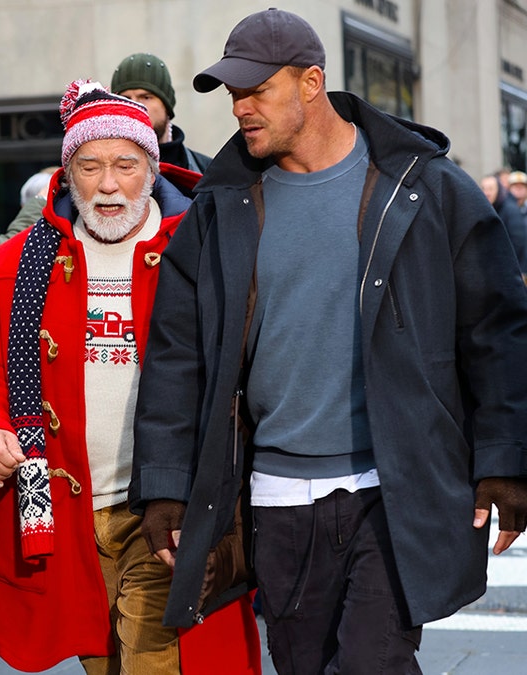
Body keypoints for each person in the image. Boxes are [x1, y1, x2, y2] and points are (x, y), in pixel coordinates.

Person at [130, 9, 527, 674]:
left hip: (392, 491)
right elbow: (178, 351)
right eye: (234, 95)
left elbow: (497, 330)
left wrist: (507, 460)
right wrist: (167, 482)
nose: (241, 109)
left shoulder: (423, 186)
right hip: (276, 504)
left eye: (257, 91)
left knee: (373, 663)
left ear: (311, 82)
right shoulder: (222, 205)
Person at [0, 80, 260, 674]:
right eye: (89, 166)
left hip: (165, 509)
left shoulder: (200, 251)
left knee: (157, 663)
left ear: (152, 168)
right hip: (60, 514)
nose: (109, 183)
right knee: (104, 664)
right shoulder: (15, 265)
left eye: (126, 163)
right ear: (66, 176)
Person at [110, 52, 213, 173]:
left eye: (146, 97)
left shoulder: (206, 171)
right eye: (126, 99)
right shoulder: (102, 172)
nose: (135, 106)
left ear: (167, 105)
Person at [480, 173, 527, 278]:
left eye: (490, 189)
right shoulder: (494, 208)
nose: (486, 193)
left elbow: (517, 243)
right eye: (484, 189)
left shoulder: (509, 209)